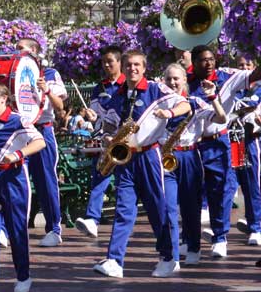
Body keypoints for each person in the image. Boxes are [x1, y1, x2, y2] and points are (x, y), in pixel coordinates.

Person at [92, 50, 190, 278]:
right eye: (128, 65)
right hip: (126, 158)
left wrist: (169, 111)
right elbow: (108, 125)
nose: (132, 69)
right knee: (123, 209)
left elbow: (185, 106)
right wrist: (107, 137)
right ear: (123, 68)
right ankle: (115, 260)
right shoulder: (118, 95)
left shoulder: (156, 89)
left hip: (149, 155)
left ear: (144, 68)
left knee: (158, 208)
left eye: (137, 65)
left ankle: (168, 257)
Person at [186, 47, 261, 257]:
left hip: (232, 139)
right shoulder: (187, 81)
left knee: (237, 184)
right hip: (201, 143)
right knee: (199, 191)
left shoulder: (235, 79)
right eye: (203, 60)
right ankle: (193, 237)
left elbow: (254, 79)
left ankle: (240, 231)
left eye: (211, 59)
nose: (208, 63)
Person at [0, 82, 46, 292]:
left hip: (13, 177)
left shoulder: (17, 120)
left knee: (17, 230)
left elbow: (40, 141)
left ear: (4, 98)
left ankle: (23, 276)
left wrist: (17, 154)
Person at [160, 64, 224, 266]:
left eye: (176, 79)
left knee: (190, 207)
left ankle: (194, 248)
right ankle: (174, 256)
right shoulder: (157, 103)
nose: (172, 82)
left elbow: (221, 118)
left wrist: (213, 97)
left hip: (189, 156)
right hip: (166, 156)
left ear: (184, 81)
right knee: (168, 207)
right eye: (168, 79)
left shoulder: (195, 102)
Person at [16, 37, 66, 247]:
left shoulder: (50, 74)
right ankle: (12, 229)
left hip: (43, 129)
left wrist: (46, 90)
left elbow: (60, 106)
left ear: (34, 51)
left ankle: (54, 228)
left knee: (46, 180)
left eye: (20, 48)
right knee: (17, 180)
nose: (15, 51)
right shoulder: (15, 72)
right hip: (20, 131)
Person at [75, 45, 125, 238]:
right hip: (106, 142)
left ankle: (123, 219)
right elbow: (97, 118)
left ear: (119, 62)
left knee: (125, 182)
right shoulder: (99, 88)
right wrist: (92, 116)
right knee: (99, 177)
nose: (106, 65)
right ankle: (92, 219)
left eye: (110, 62)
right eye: (103, 62)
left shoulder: (126, 85)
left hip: (125, 140)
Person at [230, 54, 261, 246]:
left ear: (254, 66)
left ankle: (256, 226)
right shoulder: (234, 88)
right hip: (235, 140)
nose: (244, 68)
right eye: (240, 65)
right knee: (231, 184)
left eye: (247, 64)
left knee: (253, 184)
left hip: (253, 141)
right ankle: (222, 230)